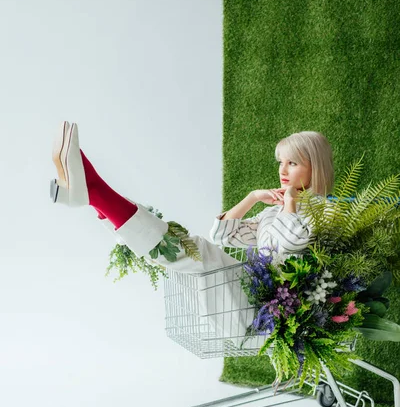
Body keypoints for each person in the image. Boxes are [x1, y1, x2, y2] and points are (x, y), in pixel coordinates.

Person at [50, 123, 334, 343]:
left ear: (314, 168)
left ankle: (94, 192)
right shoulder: (274, 210)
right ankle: (94, 194)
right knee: (199, 248)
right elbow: (225, 235)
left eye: (293, 163)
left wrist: (291, 202)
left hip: (262, 313)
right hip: (249, 292)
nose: (283, 170)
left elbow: (283, 245)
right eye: (281, 162)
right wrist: (252, 198)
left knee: (201, 257)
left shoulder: (323, 212)